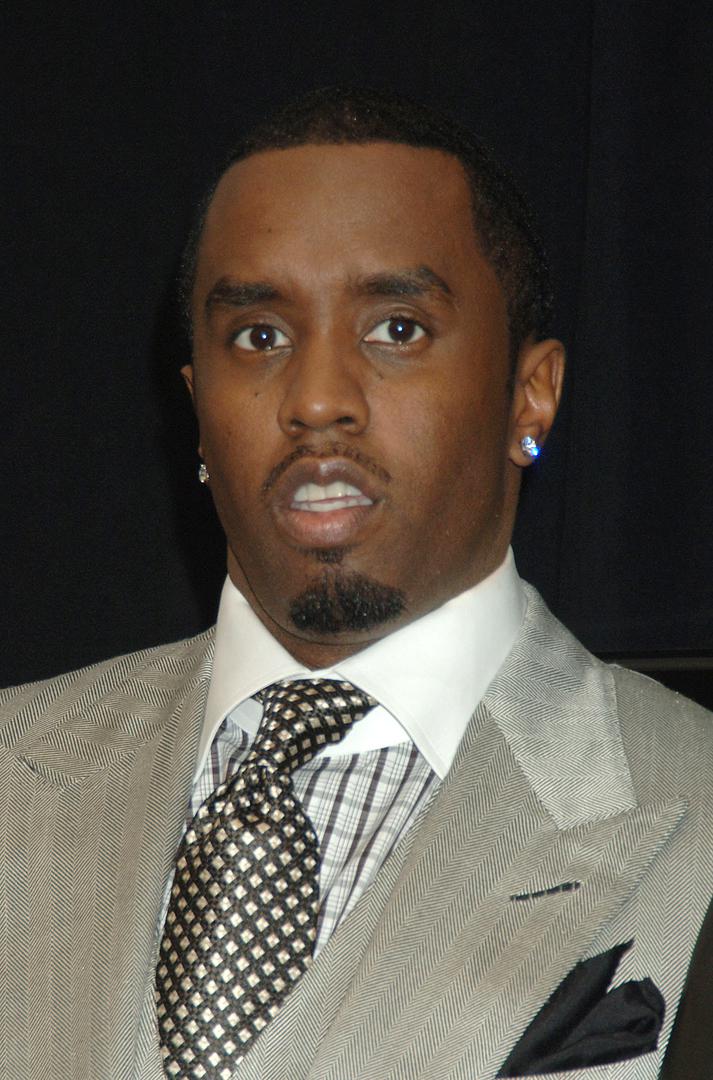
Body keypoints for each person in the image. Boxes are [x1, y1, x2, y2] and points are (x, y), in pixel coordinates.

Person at [0, 88, 710, 1080]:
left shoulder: (690, 801)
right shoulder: (15, 772)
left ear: (529, 395)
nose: (318, 399)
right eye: (259, 336)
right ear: (196, 406)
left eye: (396, 329)